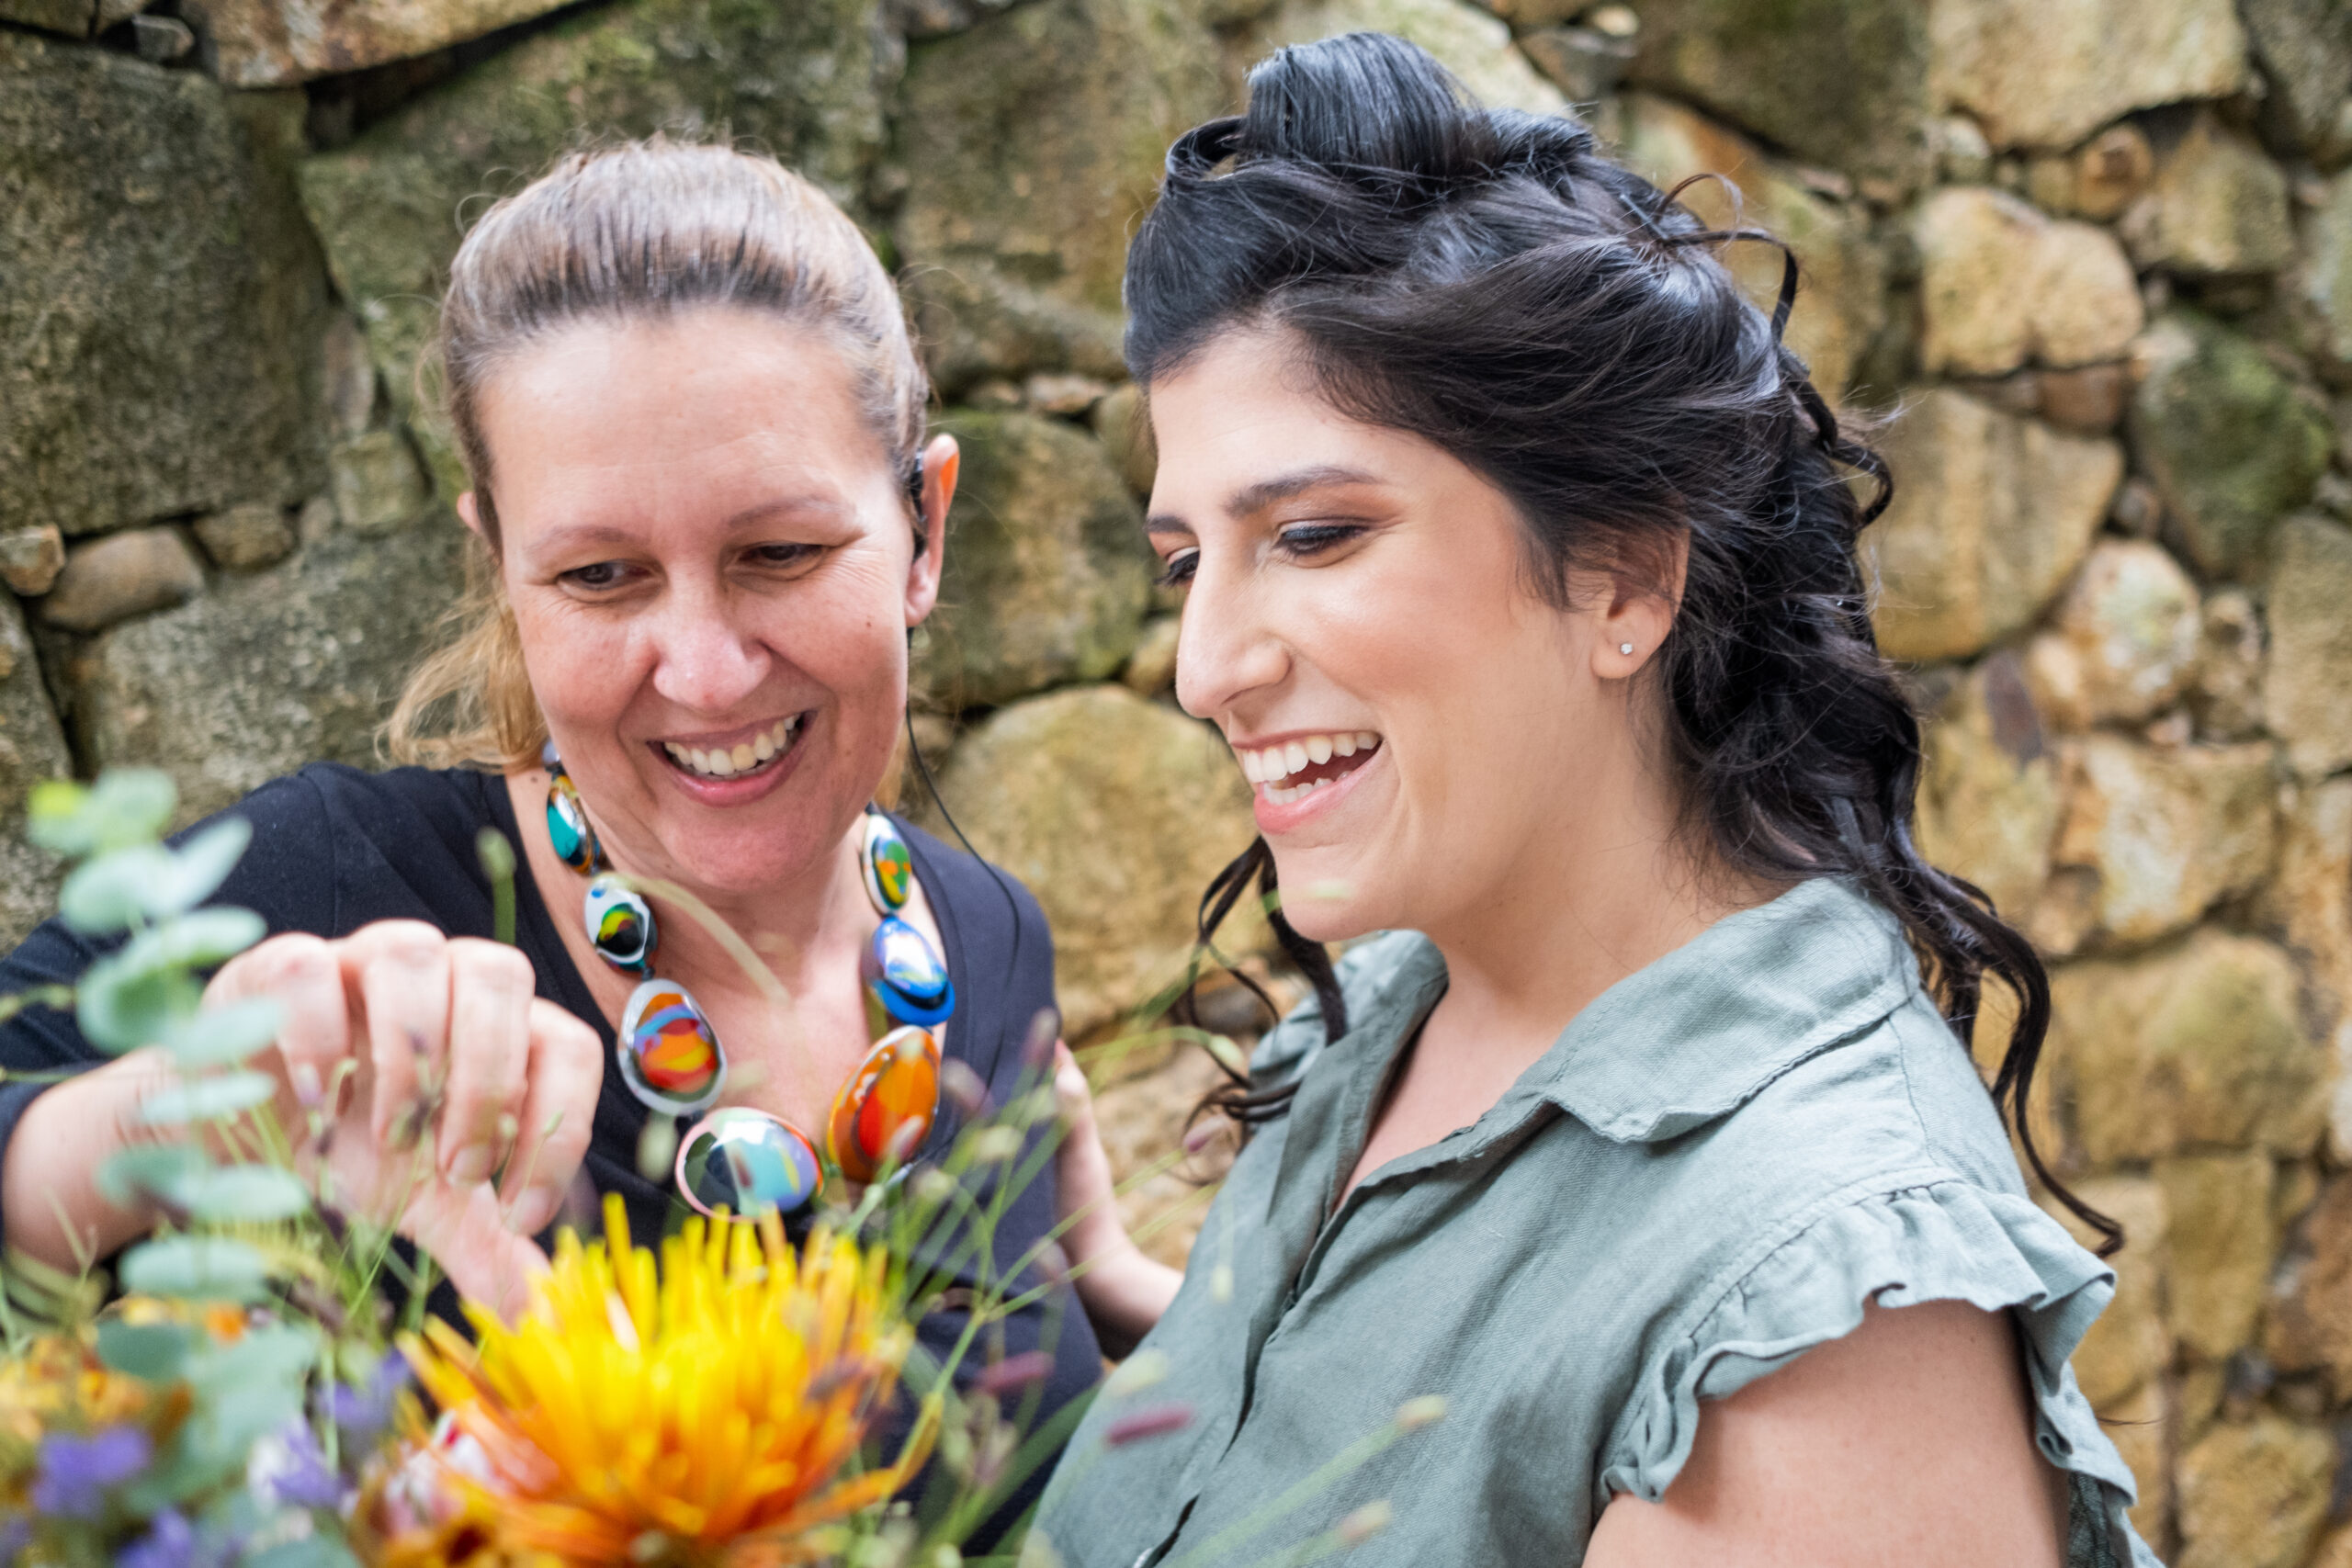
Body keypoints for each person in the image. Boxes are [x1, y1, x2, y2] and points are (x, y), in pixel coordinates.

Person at [1040, 34, 2158, 1568]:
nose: (1204, 667)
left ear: (1623, 577)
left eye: (1310, 535)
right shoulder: (1388, 1017)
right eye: (1186, 565)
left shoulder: (1823, 1324)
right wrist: (1103, 1285)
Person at [0, 143, 1097, 1507]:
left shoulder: (993, 944)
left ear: (924, 530)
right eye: (598, 575)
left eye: (781, 553)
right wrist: (181, 1111)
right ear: (503, 569)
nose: (702, 669)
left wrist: (1111, 1284)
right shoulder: (334, 886)